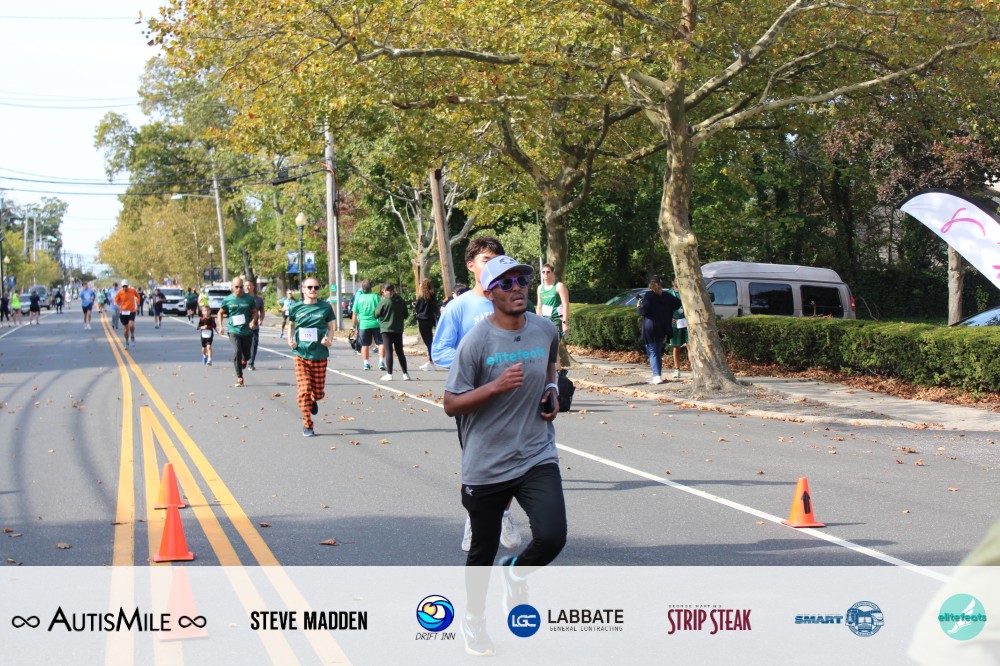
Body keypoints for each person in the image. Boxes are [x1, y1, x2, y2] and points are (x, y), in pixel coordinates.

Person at [443, 255, 564, 657]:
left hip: (535, 452)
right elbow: (450, 404)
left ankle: (515, 573)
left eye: (522, 280)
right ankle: (474, 620)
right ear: (490, 292)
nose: (518, 288)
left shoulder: (545, 329)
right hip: (487, 462)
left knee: (552, 536)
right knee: (482, 550)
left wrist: (552, 390)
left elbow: (551, 363)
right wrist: (494, 387)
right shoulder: (476, 342)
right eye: (507, 283)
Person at [430, 236, 523, 554]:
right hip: (472, 398)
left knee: (511, 460)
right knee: (478, 463)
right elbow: (439, 351)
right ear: (471, 266)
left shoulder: (511, 300)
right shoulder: (459, 307)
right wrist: (474, 363)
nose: (492, 265)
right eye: (486, 260)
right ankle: (475, 517)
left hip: (510, 397)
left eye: (498, 260)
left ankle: (504, 514)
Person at [286, 277, 336, 437]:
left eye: (316, 287)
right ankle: (307, 424)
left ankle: (314, 399)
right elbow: (291, 325)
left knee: (318, 393)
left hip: (319, 355)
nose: (313, 290)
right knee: (304, 390)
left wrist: (329, 340)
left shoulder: (325, 307)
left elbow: (331, 328)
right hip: (301, 354)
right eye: (310, 287)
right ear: (303, 289)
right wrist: (290, 340)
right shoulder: (295, 307)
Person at [637, 276, 681, 385]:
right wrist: (667, 311)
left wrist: (639, 306)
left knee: (652, 352)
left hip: (650, 327)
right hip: (663, 327)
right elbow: (677, 303)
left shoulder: (649, 295)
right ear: (660, 284)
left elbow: (644, 311)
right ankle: (658, 375)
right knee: (657, 351)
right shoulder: (666, 295)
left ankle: (656, 376)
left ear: (650, 284)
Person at [217, 277, 258, 387]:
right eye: (237, 287)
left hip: (247, 331)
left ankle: (244, 360)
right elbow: (220, 312)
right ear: (232, 287)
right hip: (233, 330)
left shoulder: (249, 299)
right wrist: (220, 326)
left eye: (241, 287)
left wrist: (253, 321)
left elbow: (255, 312)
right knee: (237, 351)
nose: (239, 289)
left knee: (247, 355)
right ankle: (239, 377)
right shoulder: (228, 299)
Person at [374, 282, 410, 381]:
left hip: (386, 329)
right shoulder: (400, 300)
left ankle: (389, 374)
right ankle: (405, 374)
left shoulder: (384, 300)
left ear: (384, 290)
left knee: (389, 351)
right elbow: (406, 315)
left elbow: (376, 314)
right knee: (400, 352)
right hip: (398, 329)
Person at [351, 279, 384, 371]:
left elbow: (354, 314)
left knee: (365, 345)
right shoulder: (376, 297)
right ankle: (381, 362)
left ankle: (366, 363)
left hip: (364, 325)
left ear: (362, 288)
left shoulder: (359, 298)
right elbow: (381, 310)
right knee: (381, 343)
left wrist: (353, 326)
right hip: (376, 324)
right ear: (371, 287)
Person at [536, 263, 570, 338]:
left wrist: (564, 323)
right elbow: (539, 306)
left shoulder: (559, 286)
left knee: (553, 341)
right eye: (543, 272)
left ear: (553, 273)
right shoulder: (540, 288)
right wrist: (538, 323)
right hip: (545, 320)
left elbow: (565, 305)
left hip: (556, 319)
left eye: (548, 272)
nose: (545, 274)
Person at [414, 279, 438, 371]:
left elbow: (418, 309)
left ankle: (431, 361)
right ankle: (431, 360)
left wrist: (415, 305)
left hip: (422, 320)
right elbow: (434, 307)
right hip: (430, 319)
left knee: (428, 341)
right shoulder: (432, 296)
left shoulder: (422, 297)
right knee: (430, 339)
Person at [667, 278, 688, 380]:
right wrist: (669, 318)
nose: (678, 282)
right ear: (672, 282)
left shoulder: (685, 292)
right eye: (676, 280)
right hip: (675, 323)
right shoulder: (669, 294)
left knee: (689, 346)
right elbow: (665, 308)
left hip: (687, 322)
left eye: (679, 280)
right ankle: (677, 369)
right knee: (676, 347)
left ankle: (695, 370)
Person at [113, 279, 141, 348]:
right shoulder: (120, 292)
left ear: (128, 286)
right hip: (123, 312)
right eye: (123, 286)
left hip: (131, 311)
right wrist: (119, 307)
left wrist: (138, 304)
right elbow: (115, 302)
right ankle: (126, 342)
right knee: (126, 329)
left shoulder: (132, 290)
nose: (125, 288)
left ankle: (132, 336)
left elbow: (138, 296)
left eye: (126, 286)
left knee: (131, 325)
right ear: (122, 286)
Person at [244, 280, 265, 370]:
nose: (247, 287)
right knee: (243, 345)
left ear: (253, 287)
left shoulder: (258, 299)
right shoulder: (241, 298)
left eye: (249, 285)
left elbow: (262, 311)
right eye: (245, 285)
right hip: (243, 326)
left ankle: (251, 363)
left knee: (254, 344)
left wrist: (261, 320)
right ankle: (244, 359)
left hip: (254, 326)